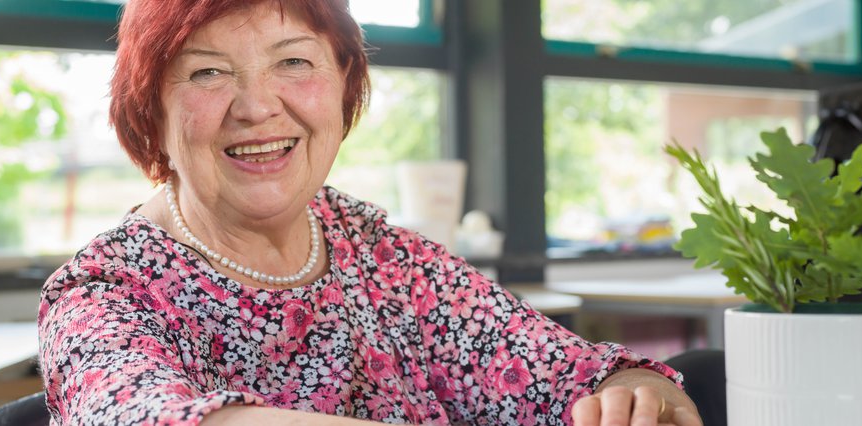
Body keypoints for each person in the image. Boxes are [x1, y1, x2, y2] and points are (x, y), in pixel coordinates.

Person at [37, 1, 703, 425]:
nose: (257, 106)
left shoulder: (383, 255)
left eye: (293, 61)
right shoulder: (102, 292)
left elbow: (574, 374)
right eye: (207, 72)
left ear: (343, 84)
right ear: (151, 109)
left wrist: (641, 399)